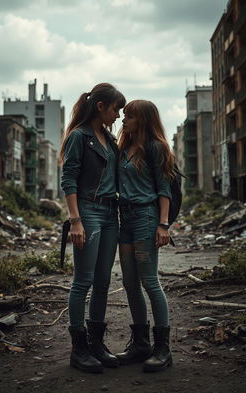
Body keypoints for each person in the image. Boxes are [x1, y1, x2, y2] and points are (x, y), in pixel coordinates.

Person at [60, 83, 126, 373]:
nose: (118, 116)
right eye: (115, 109)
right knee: (82, 281)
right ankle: (79, 349)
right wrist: (75, 220)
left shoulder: (110, 140)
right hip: (88, 210)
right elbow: (69, 178)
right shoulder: (79, 137)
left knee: (102, 282)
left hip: (111, 212)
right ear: (100, 106)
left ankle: (96, 344)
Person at [116, 100, 174, 373]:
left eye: (129, 116)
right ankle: (140, 343)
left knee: (150, 281)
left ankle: (163, 348)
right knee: (129, 282)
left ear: (144, 120)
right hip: (124, 219)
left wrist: (163, 225)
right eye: (123, 115)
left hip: (146, 218)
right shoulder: (122, 148)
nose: (123, 120)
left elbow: (165, 190)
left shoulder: (156, 147)